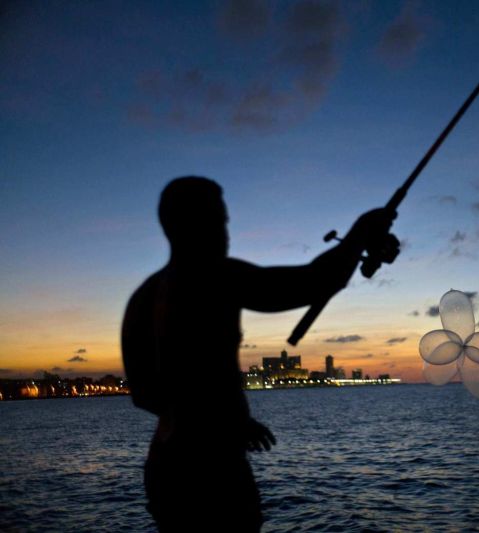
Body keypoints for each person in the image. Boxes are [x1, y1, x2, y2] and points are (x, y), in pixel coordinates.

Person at [121, 176, 397, 532]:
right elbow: (312, 282)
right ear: (193, 224)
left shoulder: (140, 299)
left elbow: (145, 396)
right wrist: (362, 229)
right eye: (219, 221)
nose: (226, 232)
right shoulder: (213, 275)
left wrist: (220, 418)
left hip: (166, 467)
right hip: (212, 475)